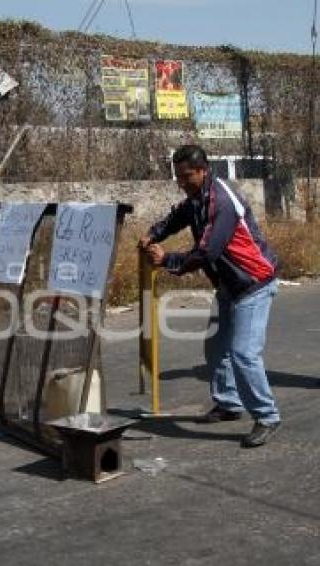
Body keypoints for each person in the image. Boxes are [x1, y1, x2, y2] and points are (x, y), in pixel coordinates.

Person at [139, 144, 281, 448]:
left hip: (253, 283)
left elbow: (206, 252)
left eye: (186, 176)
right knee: (216, 349)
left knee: (243, 353)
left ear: (203, 171)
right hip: (229, 286)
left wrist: (167, 260)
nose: (181, 182)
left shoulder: (222, 204)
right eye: (177, 176)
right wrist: (153, 234)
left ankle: (267, 415)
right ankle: (229, 404)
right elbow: (177, 217)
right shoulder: (196, 197)